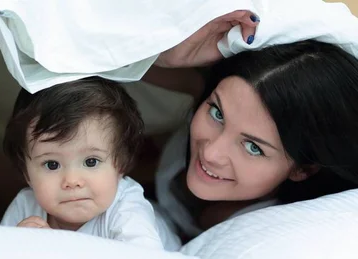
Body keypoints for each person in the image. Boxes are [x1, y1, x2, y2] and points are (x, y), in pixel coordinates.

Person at [151, 39, 358, 241]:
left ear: (303, 169)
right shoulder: (219, 101)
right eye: (218, 114)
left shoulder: (263, 234)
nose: (211, 152)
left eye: (253, 147)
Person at [0, 77, 181, 250]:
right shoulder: (25, 208)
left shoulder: (128, 212)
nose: (72, 181)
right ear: (27, 173)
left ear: (121, 165)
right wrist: (16, 247)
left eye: (91, 162)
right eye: (52, 165)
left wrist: (56, 251)